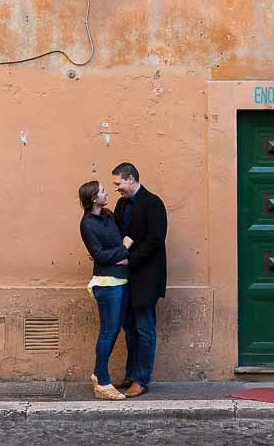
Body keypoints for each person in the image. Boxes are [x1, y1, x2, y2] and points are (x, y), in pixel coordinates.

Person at [111, 162, 167, 398]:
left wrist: (129, 260)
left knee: (144, 329)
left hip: (146, 276)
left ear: (131, 179)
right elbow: (116, 233)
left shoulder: (153, 203)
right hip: (126, 276)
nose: (117, 188)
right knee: (130, 328)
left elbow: (156, 241)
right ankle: (132, 374)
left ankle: (142, 380)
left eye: (119, 183)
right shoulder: (121, 203)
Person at [78, 180, 134, 401]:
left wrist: (119, 254)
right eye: (102, 190)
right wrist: (123, 250)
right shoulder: (87, 224)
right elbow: (100, 256)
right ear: (93, 198)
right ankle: (102, 382)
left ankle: (98, 373)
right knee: (108, 332)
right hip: (106, 284)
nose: (106, 192)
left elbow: (109, 251)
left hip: (121, 281)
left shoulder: (108, 215)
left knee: (115, 329)